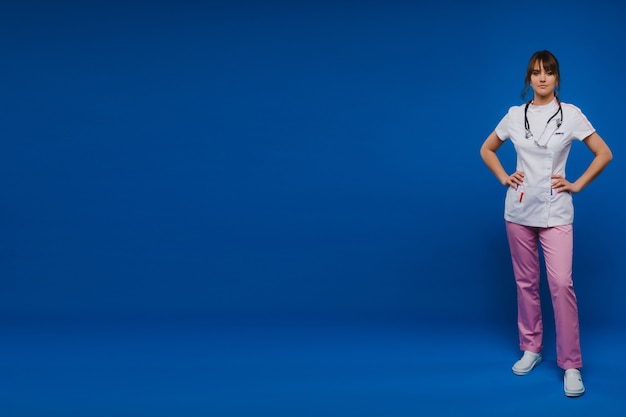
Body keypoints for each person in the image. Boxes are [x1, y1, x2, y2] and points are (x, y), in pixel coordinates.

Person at [479, 50, 612, 397]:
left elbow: (604, 153)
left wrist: (578, 183)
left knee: (561, 283)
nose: (542, 78)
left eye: (548, 72)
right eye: (536, 72)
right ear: (529, 79)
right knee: (526, 283)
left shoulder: (571, 115)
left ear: (556, 78)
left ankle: (571, 364)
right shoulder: (513, 115)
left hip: (556, 212)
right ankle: (532, 349)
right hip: (519, 211)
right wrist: (503, 177)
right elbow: (487, 149)